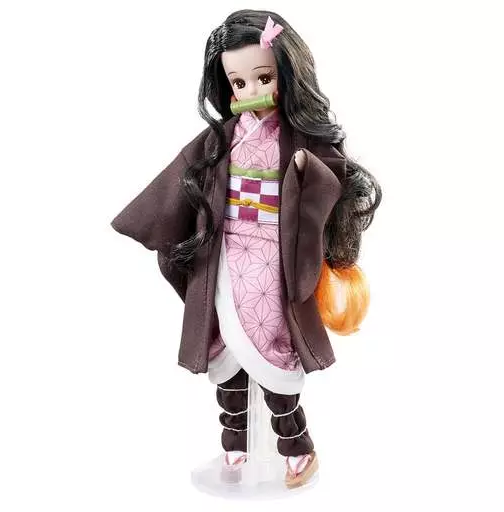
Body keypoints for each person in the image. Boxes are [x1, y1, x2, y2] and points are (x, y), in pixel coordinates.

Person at [111, 9, 381, 489]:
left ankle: (296, 445)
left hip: (273, 258)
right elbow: (179, 176)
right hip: (224, 253)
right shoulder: (223, 138)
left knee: (271, 354)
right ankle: (234, 441)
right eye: (238, 82)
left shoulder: (298, 138)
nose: (250, 90)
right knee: (224, 351)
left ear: (287, 76)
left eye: (263, 77)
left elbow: (332, 178)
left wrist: (307, 171)